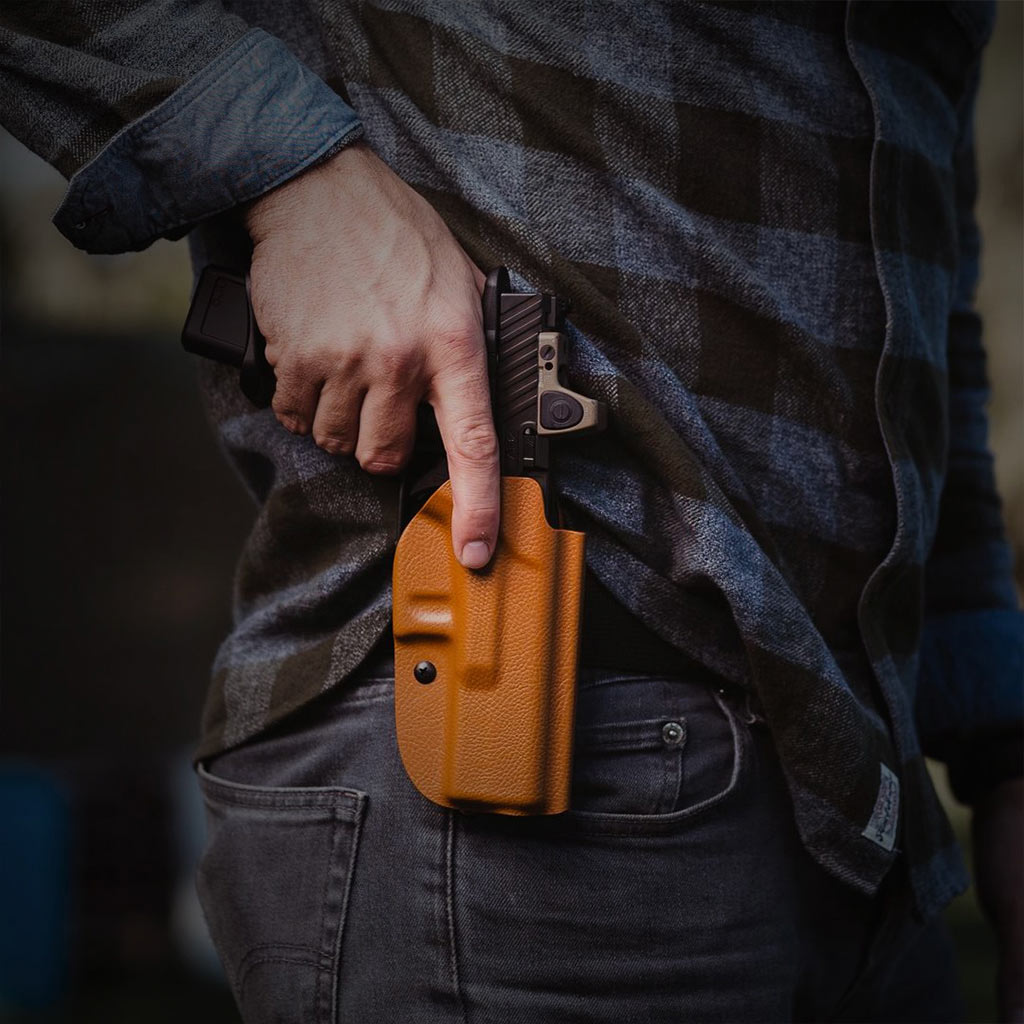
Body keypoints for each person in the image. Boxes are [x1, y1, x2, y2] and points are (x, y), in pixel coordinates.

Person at [2, 2, 1021, 1020]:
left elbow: (932, 342)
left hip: (860, 800)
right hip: (539, 755)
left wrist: (1000, 739)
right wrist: (290, 176)